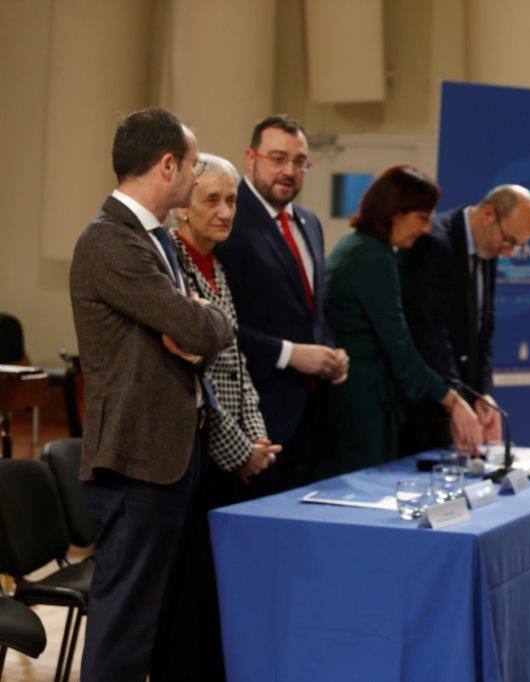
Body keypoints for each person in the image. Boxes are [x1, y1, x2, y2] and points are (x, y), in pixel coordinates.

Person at [70, 107, 234, 681]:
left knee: (149, 625)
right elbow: (199, 328)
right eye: (192, 164)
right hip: (135, 458)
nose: (196, 174)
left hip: (168, 455)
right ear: (167, 165)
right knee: (122, 629)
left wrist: (200, 323)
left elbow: (198, 334)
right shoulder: (110, 241)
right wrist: (204, 321)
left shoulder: (154, 238)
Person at [156, 152, 282, 680]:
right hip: (192, 452)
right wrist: (239, 449)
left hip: (229, 453)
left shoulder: (216, 266)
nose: (226, 211)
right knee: (187, 597)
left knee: (217, 594)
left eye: (231, 200)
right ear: (183, 206)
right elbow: (191, 377)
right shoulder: (171, 264)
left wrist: (258, 438)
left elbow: (237, 367)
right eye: (212, 199)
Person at [319, 165, 482, 476]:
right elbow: (399, 348)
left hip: (354, 404)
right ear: (395, 212)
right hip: (360, 411)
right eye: (421, 218)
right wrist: (451, 401)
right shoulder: (373, 257)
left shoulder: (359, 247)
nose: (425, 229)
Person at [216, 115, 348, 497]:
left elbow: (310, 310)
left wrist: (332, 351)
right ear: (251, 159)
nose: (289, 171)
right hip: (254, 419)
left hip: (313, 418)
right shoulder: (228, 221)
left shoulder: (309, 222)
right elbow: (221, 326)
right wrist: (290, 354)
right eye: (278, 158)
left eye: (300, 161)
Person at [399, 185, 530, 454]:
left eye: (516, 247)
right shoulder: (434, 242)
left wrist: (483, 393)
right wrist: (455, 399)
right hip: (425, 408)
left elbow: (483, 328)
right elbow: (429, 333)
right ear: (488, 214)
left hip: (461, 402)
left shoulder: (489, 247)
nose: (508, 253)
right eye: (509, 241)